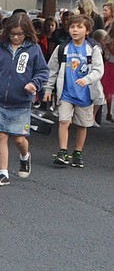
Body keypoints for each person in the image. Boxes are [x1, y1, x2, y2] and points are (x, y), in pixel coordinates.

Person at [0, 13, 49, 185]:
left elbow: (43, 72)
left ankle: (24, 155)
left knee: (19, 138)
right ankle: (3, 173)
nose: (15, 37)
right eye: (13, 33)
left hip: (21, 102)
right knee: (0, 135)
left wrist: (34, 84)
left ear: (27, 33)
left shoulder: (33, 49)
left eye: (20, 34)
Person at [44, 14, 104, 168]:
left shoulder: (93, 49)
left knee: (82, 124)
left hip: (85, 94)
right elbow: (52, 70)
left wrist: (88, 79)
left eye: (79, 27)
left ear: (88, 31)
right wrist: (48, 89)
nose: (75, 30)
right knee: (64, 121)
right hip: (66, 92)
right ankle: (63, 151)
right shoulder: (62, 48)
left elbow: (98, 70)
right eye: (72, 27)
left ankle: (78, 152)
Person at [97, 27, 114, 123]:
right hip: (111, 65)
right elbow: (112, 51)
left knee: (108, 91)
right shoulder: (109, 39)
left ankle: (109, 112)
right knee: (106, 91)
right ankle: (108, 112)